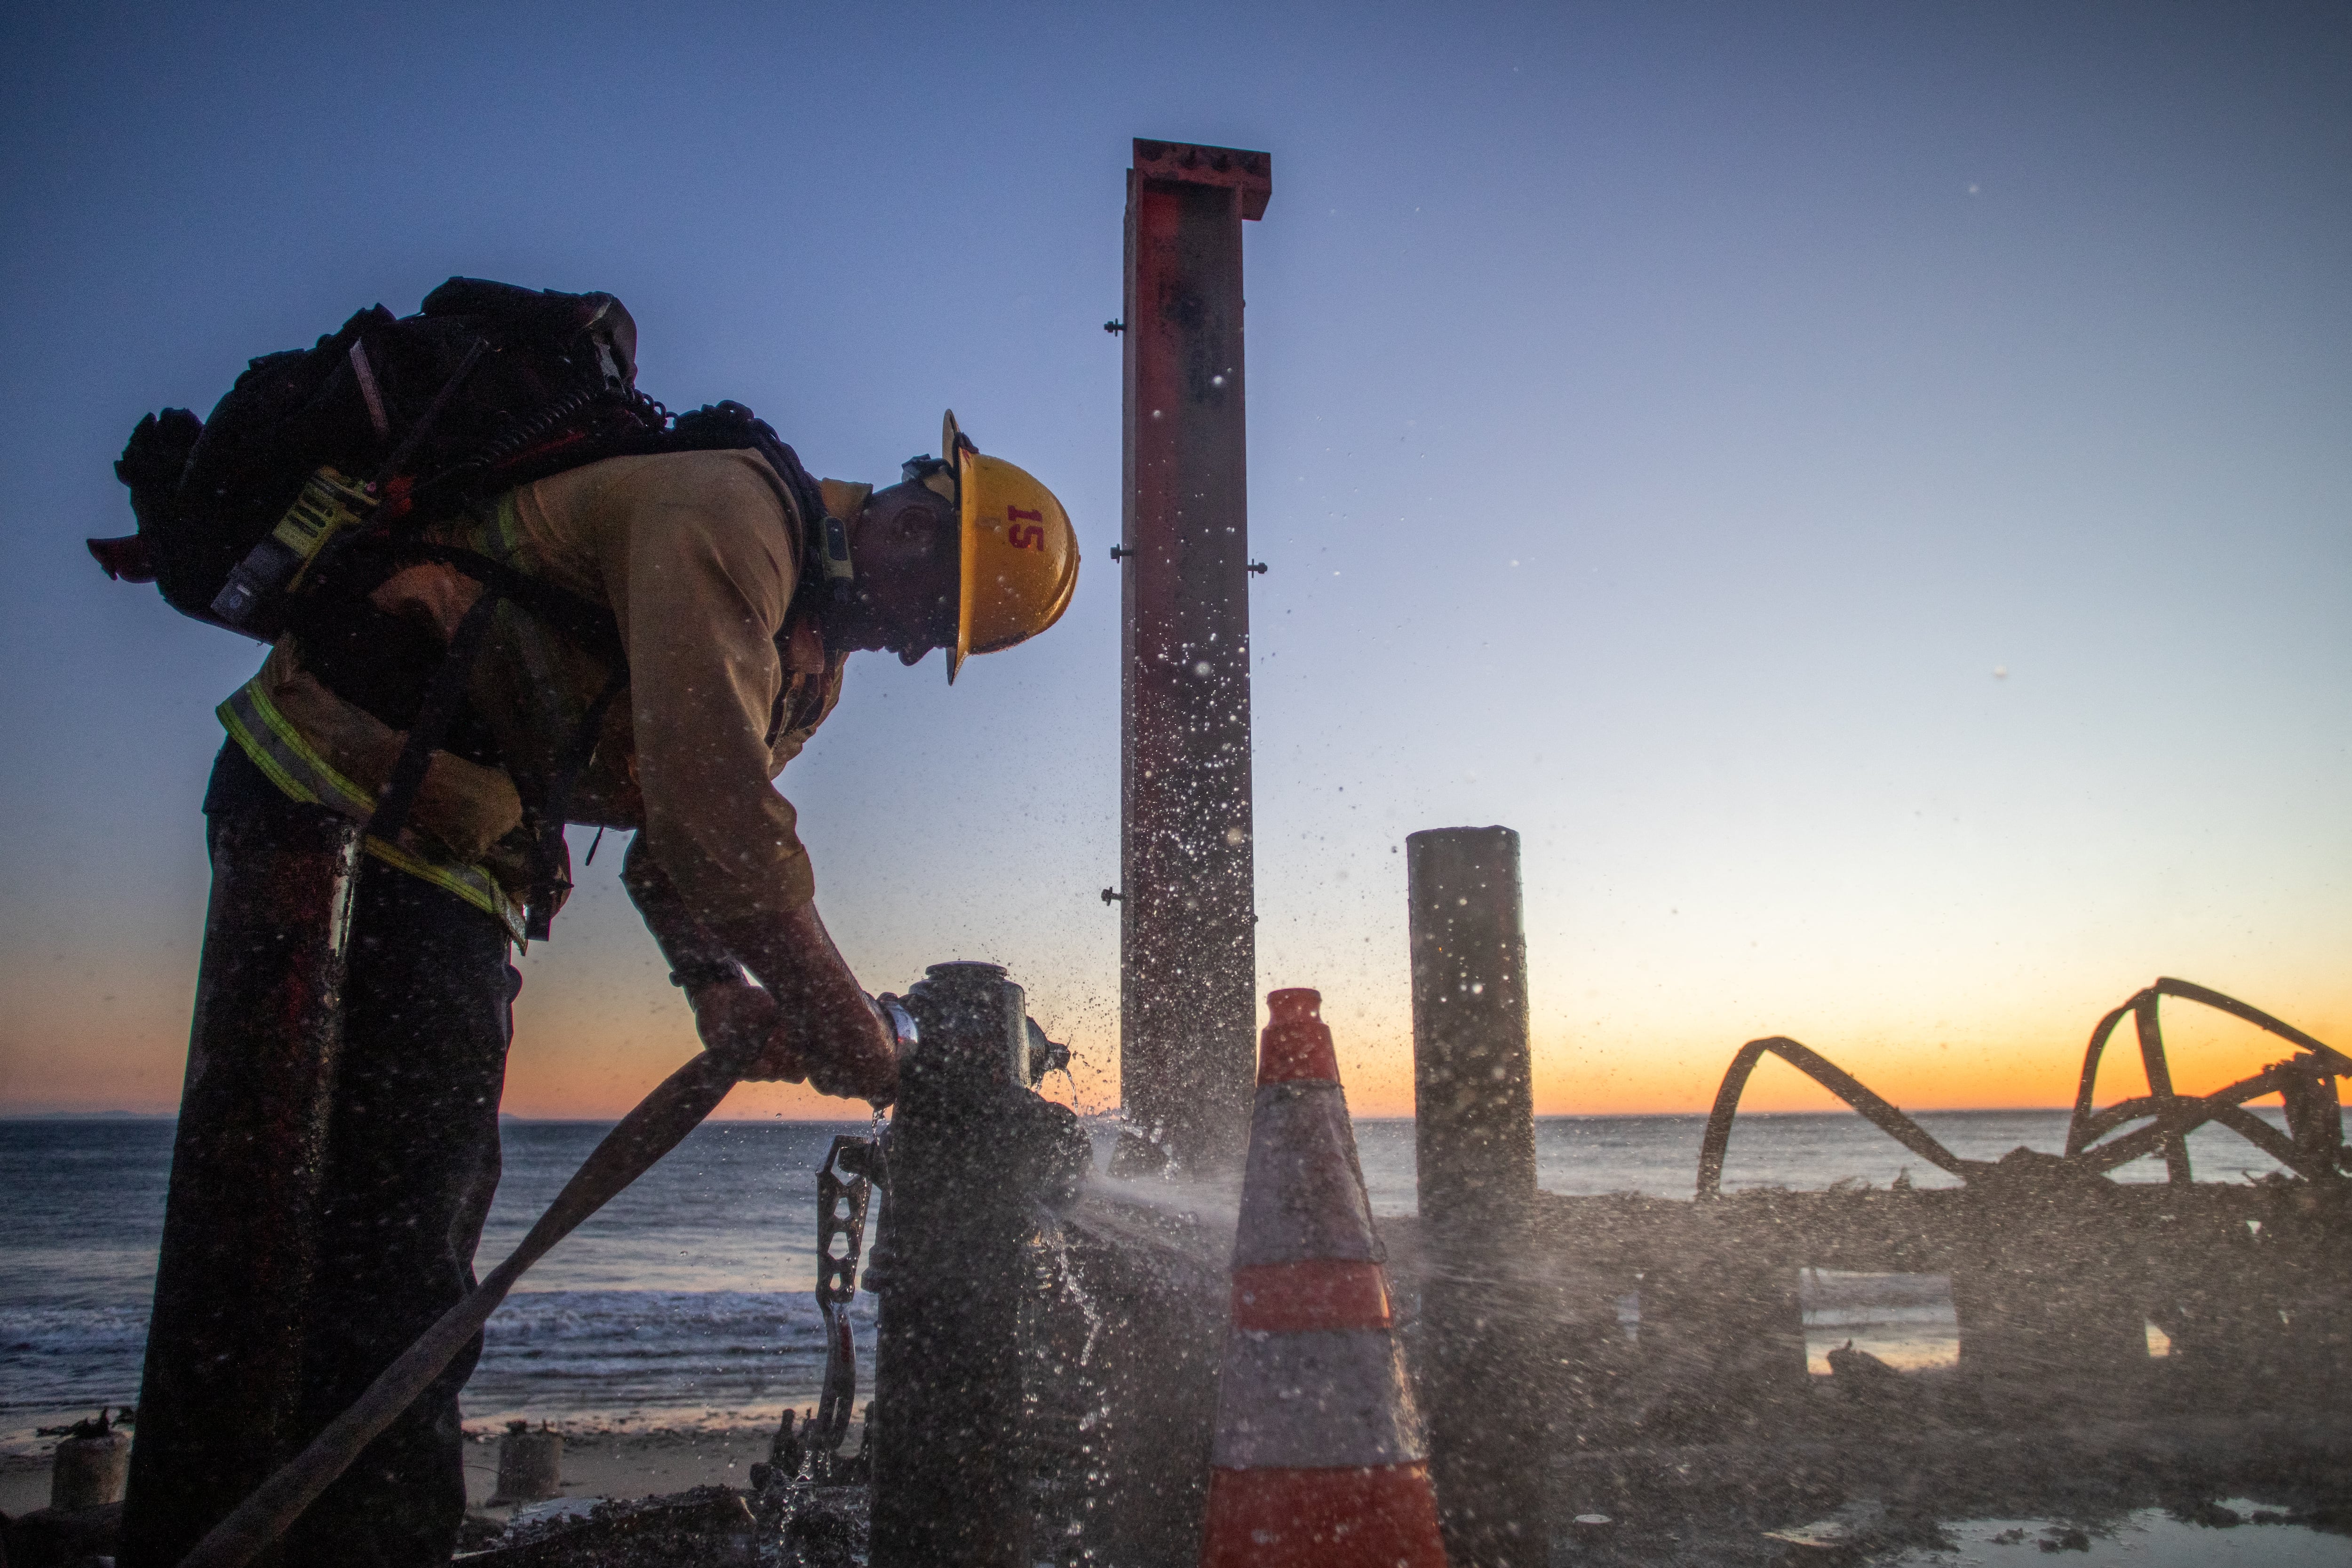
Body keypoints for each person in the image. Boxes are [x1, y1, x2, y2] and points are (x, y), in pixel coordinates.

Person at [154, 411, 1077, 1567]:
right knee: (356, 1255)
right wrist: (850, 1029)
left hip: (459, 852)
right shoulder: (726, 519)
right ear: (911, 518)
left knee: (402, 1241)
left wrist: (716, 987)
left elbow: (656, 840)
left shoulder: (805, 663)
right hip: (334, 799)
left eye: (929, 640)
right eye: (919, 611)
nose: (901, 646)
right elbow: (719, 826)